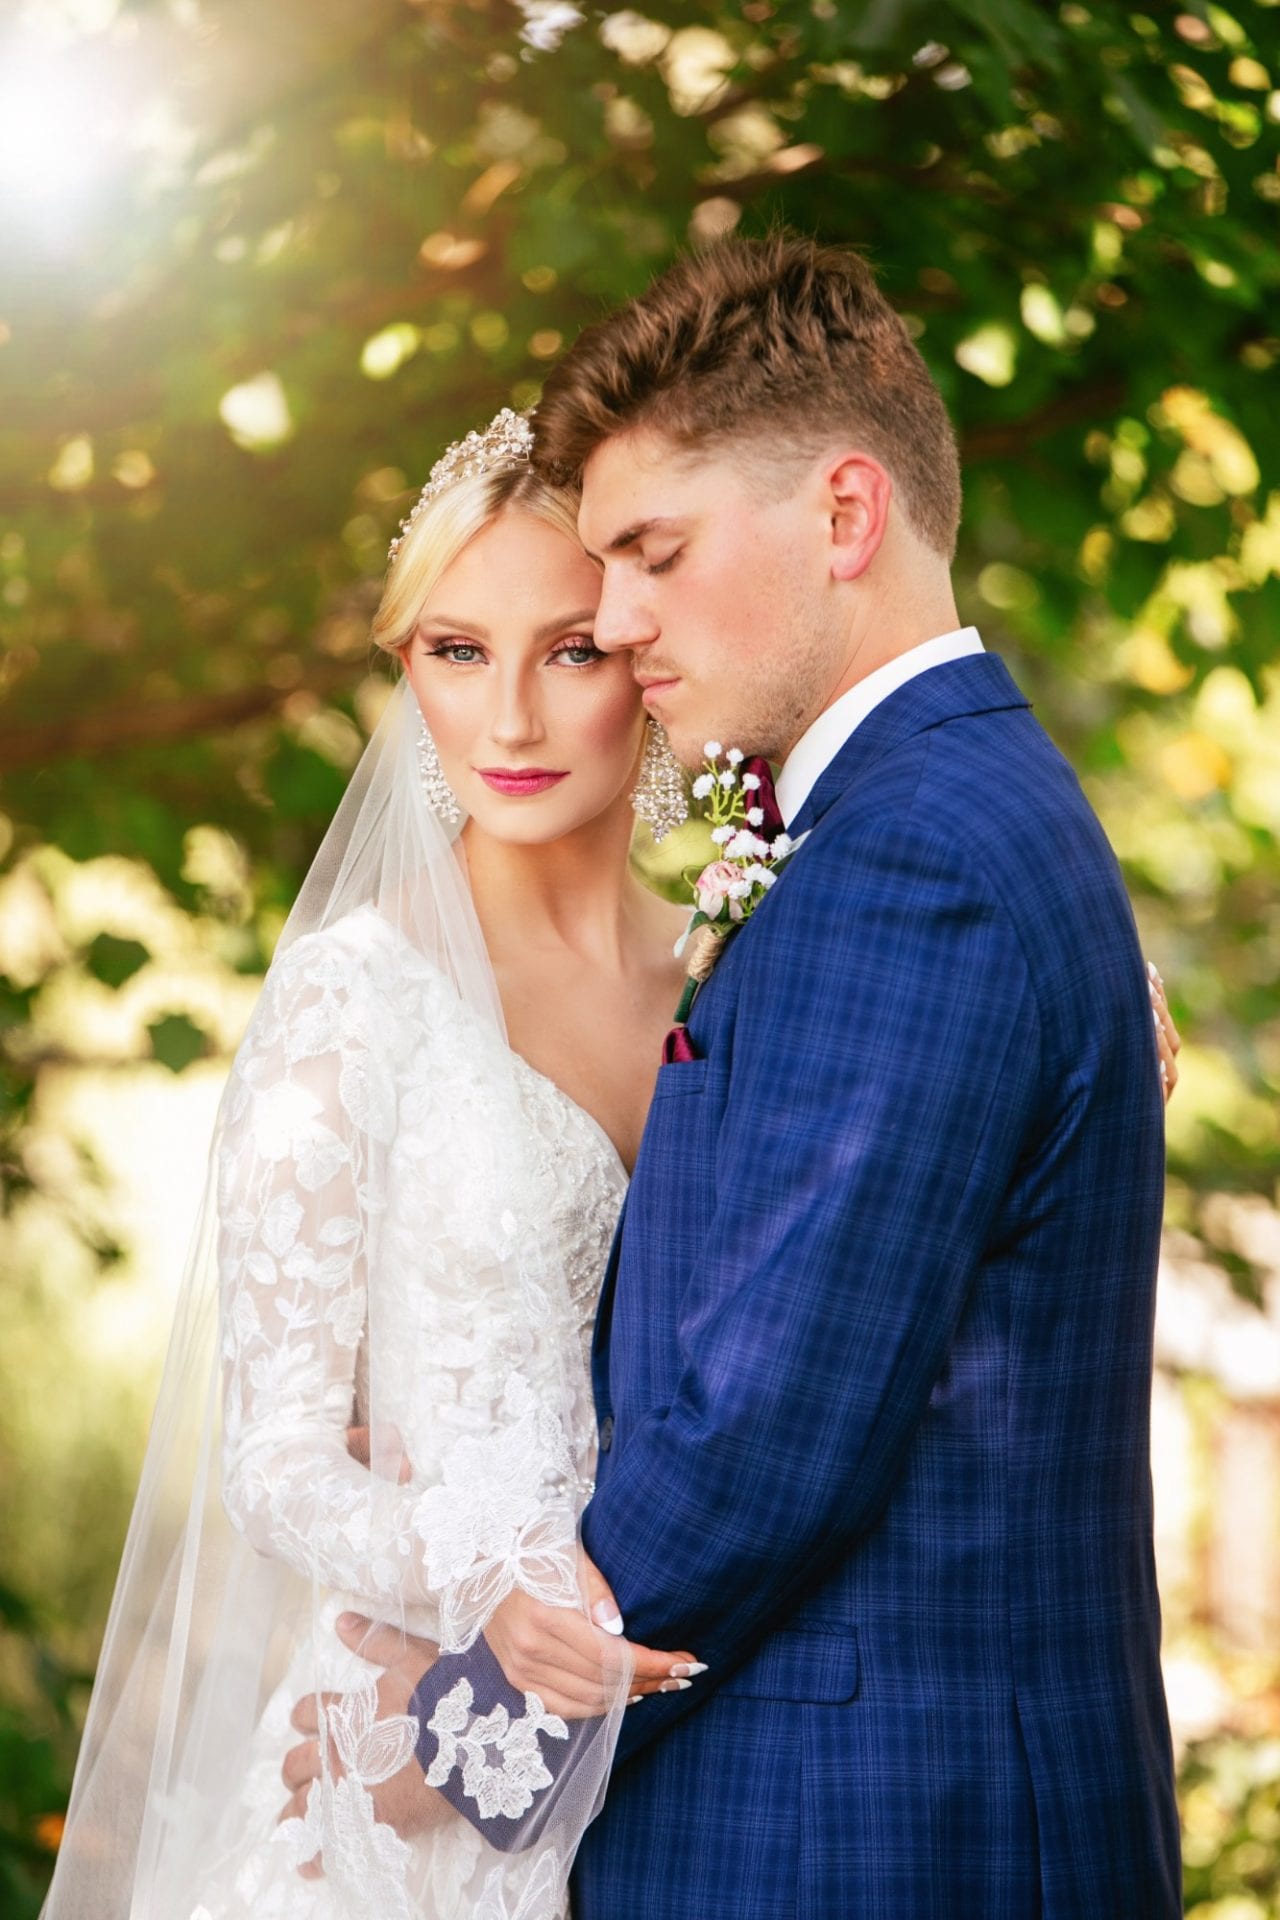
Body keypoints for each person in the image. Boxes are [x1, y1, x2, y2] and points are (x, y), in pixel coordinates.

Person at [341, 235, 1186, 1919]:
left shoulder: (913, 863)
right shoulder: (916, 825)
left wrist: (448, 1751)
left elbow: (758, 1444)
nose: (622, 618)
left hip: (859, 1840)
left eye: (653, 553)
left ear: (846, 517)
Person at [40, 413, 705, 1920]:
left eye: (574, 652)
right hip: (401, 1781)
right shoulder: (358, 995)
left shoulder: (734, 968)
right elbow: (275, 1459)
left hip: (679, 1760)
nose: (513, 719)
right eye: (458, 652)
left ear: (648, 665)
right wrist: (497, 1588)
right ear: (406, 669)